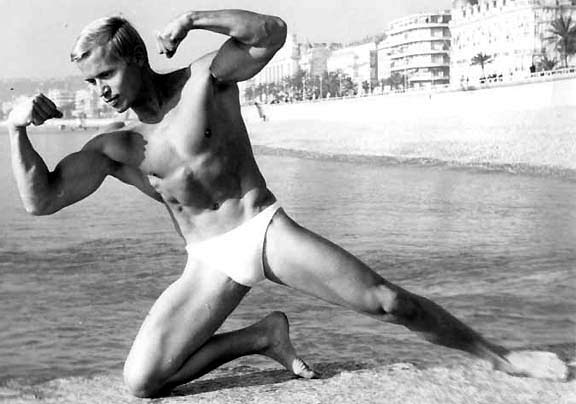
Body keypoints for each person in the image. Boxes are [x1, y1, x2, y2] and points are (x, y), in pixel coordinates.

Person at [7, 9, 568, 398]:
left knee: (388, 301)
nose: (101, 89)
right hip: (209, 262)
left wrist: (194, 19)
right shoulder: (117, 146)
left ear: (134, 58)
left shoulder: (204, 80)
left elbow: (270, 34)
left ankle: (500, 356)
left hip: (263, 228)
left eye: (106, 73)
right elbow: (42, 200)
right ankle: (262, 337)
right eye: (91, 81)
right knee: (142, 381)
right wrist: (17, 132)